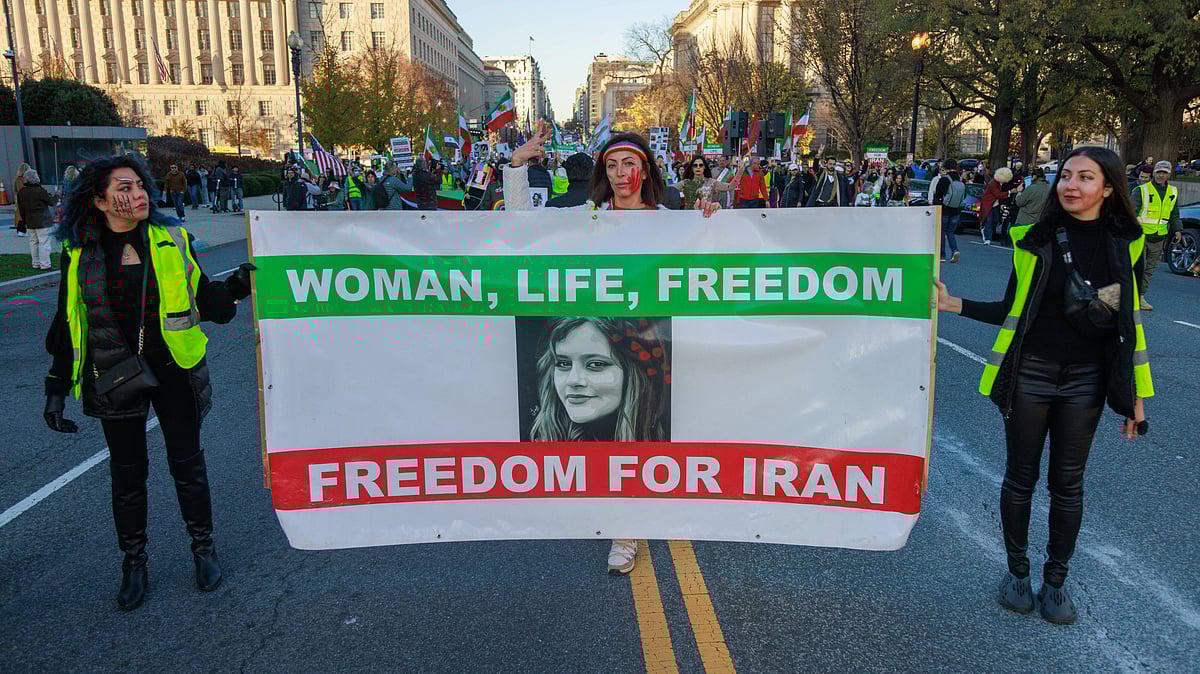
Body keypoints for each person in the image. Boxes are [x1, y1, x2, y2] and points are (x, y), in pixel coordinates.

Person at [935, 147, 1152, 625]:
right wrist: (956, 307)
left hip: (1087, 381)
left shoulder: (1128, 243)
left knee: (1067, 485)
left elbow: (1128, 326)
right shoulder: (1035, 239)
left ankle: (1055, 581)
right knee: (1020, 477)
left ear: (1109, 188)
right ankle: (1016, 572)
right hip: (1030, 374)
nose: (1070, 185)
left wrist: (1137, 398)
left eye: (1085, 177)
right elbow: (1012, 308)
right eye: (1065, 175)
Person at [42, 154, 255, 611]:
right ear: (99, 200)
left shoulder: (173, 238)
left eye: (140, 185)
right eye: (124, 187)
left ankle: (204, 550)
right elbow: (67, 320)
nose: (138, 194)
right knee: (128, 475)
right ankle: (134, 563)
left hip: (174, 369)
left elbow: (205, 300)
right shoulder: (78, 251)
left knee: (188, 466)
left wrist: (236, 286)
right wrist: (56, 388)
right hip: (112, 373)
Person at [504, 121, 719, 575]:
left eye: (631, 164)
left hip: (656, 345)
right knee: (605, 441)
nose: (622, 173)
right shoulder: (589, 217)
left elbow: (711, 259)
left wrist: (713, 217)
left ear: (646, 169)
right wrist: (519, 164)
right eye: (613, 165)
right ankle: (617, 527)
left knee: (639, 436)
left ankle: (627, 533)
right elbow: (525, 230)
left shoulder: (669, 221)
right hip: (599, 344)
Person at [1130, 160, 1180, 311]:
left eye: (1164, 172)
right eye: (1159, 172)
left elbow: (1174, 214)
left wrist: (1178, 229)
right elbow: (1132, 212)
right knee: (1137, 267)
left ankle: (1140, 297)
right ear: (1154, 173)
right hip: (1141, 236)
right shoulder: (1141, 190)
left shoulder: (1172, 192)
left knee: (1150, 269)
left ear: (1168, 174)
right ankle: (1129, 295)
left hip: (1159, 237)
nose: (1161, 175)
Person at [17, 169, 58, 269]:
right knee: (44, 243)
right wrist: (56, 195)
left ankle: (35, 263)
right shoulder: (40, 191)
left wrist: (24, 220)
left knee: (33, 242)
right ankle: (45, 264)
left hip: (30, 220)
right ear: (36, 178)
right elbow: (52, 202)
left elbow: (21, 208)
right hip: (42, 221)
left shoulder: (22, 192)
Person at [931, 159, 965, 263]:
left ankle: (942, 255)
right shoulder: (960, 181)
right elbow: (964, 196)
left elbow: (937, 195)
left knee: (941, 232)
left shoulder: (944, 180)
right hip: (956, 211)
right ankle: (955, 250)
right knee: (950, 232)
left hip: (944, 209)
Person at [979, 167, 1017, 245]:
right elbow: (998, 194)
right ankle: (988, 238)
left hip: (995, 204)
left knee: (995, 220)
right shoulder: (993, 184)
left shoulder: (998, 183)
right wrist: (1010, 192)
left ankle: (987, 233)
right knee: (989, 221)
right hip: (988, 204)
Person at [1012, 167, 1052, 242]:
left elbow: (1019, 202)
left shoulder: (1031, 189)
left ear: (1034, 176)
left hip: (1024, 222)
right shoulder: (1049, 189)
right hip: (1038, 222)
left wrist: (1019, 192)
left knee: (1021, 247)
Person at [13, 162, 31, 236]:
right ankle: (24, 230)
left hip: (19, 199)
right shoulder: (28, 179)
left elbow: (16, 190)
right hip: (26, 199)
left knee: (20, 215)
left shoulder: (17, 180)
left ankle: (20, 230)